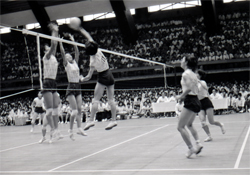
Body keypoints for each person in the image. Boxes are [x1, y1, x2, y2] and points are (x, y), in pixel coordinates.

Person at [73, 26, 117, 130]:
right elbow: (89, 37)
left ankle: (91, 120)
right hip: (109, 74)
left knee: (95, 100)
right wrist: (81, 30)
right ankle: (114, 120)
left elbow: (89, 76)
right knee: (111, 100)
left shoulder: (92, 61)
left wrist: (82, 79)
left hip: (102, 75)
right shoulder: (98, 50)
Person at [59, 34, 87, 140]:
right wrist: (60, 43)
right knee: (74, 111)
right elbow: (62, 53)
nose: (67, 57)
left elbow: (77, 52)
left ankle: (79, 128)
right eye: (66, 57)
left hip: (78, 86)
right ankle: (70, 130)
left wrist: (73, 40)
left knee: (79, 109)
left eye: (69, 56)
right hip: (71, 87)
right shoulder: (67, 65)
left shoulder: (75, 62)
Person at [175, 56, 203, 158]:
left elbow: (190, 88)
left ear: (186, 62)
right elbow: (196, 88)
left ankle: (191, 149)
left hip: (190, 101)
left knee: (180, 127)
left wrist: (181, 96)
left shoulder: (185, 74)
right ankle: (198, 143)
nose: (180, 61)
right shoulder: (194, 74)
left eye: (182, 60)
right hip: (195, 100)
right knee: (189, 124)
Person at [40, 23, 61, 142]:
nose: (50, 48)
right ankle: (52, 129)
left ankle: (56, 130)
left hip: (54, 82)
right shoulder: (46, 57)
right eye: (47, 48)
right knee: (48, 111)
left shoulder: (53, 57)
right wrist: (53, 30)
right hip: (47, 81)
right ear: (45, 51)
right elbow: (53, 45)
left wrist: (56, 32)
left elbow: (55, 44)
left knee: (55, 109)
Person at [197, 70, 226, 142]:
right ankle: (209, 136)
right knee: (202, 122)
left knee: (211, 121)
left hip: (206, 101)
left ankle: (221, 125)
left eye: (196, 74)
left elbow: (206, 88)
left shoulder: (202, 82)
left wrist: (198, 81)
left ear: (199, 76)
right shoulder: (193, 84)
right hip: (199, 103)